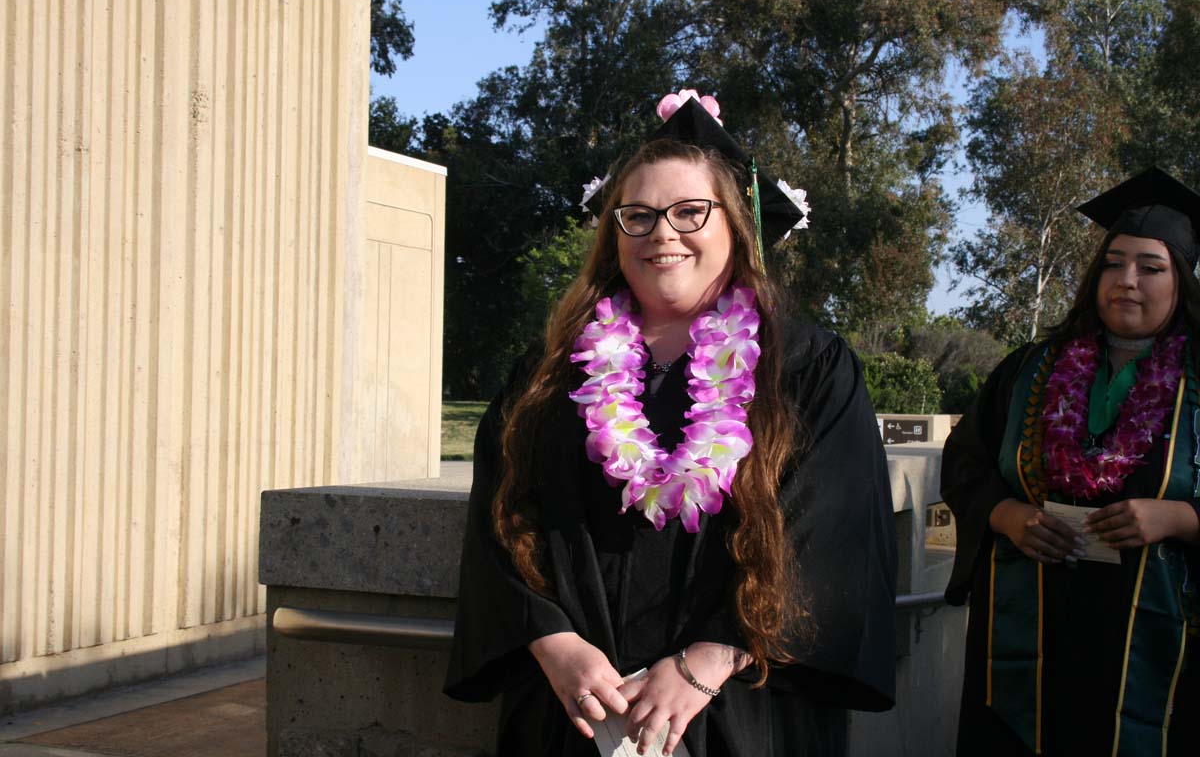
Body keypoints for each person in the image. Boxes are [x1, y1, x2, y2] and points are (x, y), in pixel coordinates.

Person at [443, 91, 897, 756]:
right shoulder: (551, 372)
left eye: (691, 212)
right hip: (576, 709)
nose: (663, 233)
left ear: (736, 227)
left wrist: (708, 661)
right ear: (613, 233)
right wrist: (553, 642)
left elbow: (831, 538)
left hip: (738, 712)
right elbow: (502, 515)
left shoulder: (807, 369)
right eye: (639, 215)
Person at [941, 166, 1200, 756]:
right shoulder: (1028, 369)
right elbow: (965, 463)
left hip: (1161, 646)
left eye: (1150, 267)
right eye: (1113, 262)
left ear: (1182, 280)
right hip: (1030, 630)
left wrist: (1180, 519)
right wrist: (1007, 515)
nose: (1126, 280)